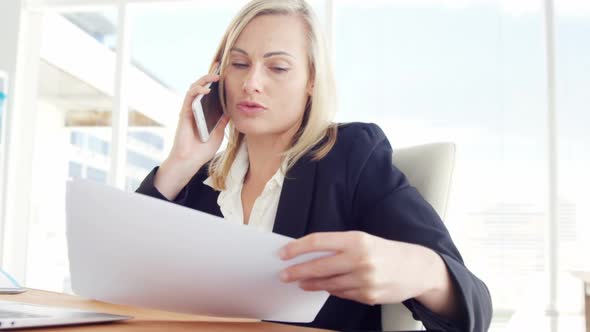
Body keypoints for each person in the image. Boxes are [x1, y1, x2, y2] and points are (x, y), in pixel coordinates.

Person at [136, 0, 492, 331]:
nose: (251, 83)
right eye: (239, 64)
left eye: (277, 67)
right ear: (218, 76)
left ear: (311, 81)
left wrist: (417, 269)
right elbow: (129, 277)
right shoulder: (200, 179)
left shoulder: (352, 157)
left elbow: (474, 306)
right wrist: (180, 162)